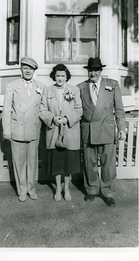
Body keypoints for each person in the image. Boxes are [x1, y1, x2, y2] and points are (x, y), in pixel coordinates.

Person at [77, 57, 126, 207]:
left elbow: (119, 109)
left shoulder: (112, 85)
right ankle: (91, 189)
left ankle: (108, 192)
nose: (93, 73)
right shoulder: (80, 87)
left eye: (96, 70)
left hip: (106, 128)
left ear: (101, 71)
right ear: (87, 71)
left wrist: (121, 128)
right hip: (88, 129)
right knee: (89, 162)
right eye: (90, 70)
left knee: (108, 164)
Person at [2, 57, 45, 202]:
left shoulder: (41, 86)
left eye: (30, 68)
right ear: (21, 69)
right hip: (17, 129)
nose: (28, 71)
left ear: (34, 71)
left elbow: (43, 108)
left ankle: (31, 188)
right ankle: (22, 189)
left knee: (32, 162)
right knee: (19, 162)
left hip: (33, 129)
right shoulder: (12, 85)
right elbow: (6, 109)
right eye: (25, 68)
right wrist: (6, 130)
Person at [39, 64, 83, 201]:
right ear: (54, 76)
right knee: (57, 163)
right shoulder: (47, 91)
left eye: (63, 76)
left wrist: (67, 119)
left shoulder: (74, 90)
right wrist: (53, 118)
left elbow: (79, 110)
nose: (60, 78)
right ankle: (58, 189)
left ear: (66, 77)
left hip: (69, 131)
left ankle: (67, 188)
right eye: (58, 75)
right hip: (54, 132)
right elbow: (42, 110)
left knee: (68, 163)